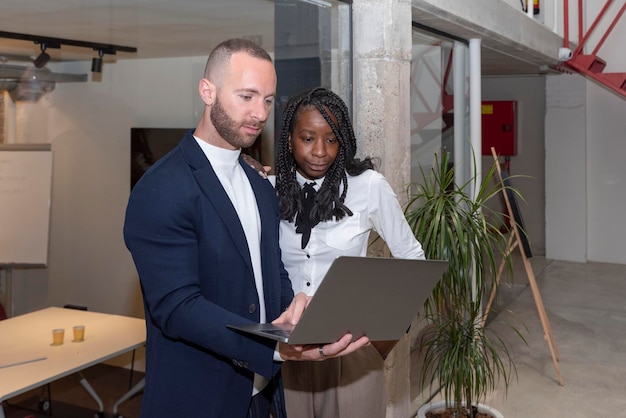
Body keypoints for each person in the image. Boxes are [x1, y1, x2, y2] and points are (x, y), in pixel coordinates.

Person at [123, 39, 369, 418]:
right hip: (197, 400)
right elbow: (176, 307)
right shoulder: (161, 189)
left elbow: (269, 269)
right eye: (247, 96)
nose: (259, 113)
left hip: (264, 398)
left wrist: (293, 309)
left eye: (268, 100)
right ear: (208, 91)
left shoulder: (259, 186)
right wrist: (273, 347)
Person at [273, 87, 426, 418]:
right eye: (308, 138)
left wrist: (383, 339)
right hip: (291, 348)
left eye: (331, 139)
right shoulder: (271, 190)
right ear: (289, 140)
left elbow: (414, 261)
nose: (320, 151)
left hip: (350, 349)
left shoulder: (368, 186)